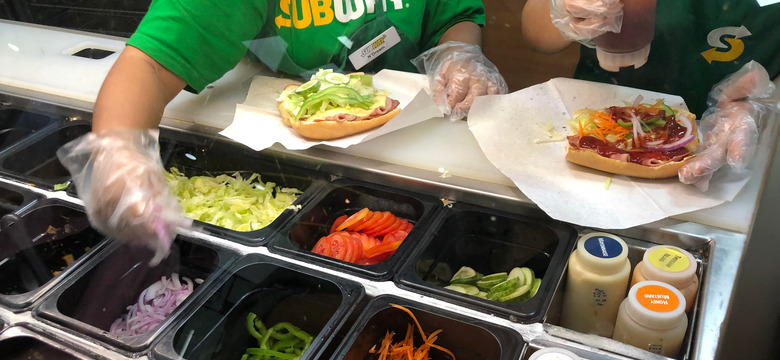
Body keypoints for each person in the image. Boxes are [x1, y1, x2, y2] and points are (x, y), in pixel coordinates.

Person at [57, 0, 508, 264]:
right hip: (284, 149)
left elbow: (455, 13)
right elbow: (151, 64)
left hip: (419, 137)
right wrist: (119, 152)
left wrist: (458, 50)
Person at [521, 0, 779, 190]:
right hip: (590, 132)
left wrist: (762, 103)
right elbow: (537, 37)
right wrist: (563, 12)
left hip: (725, 158)